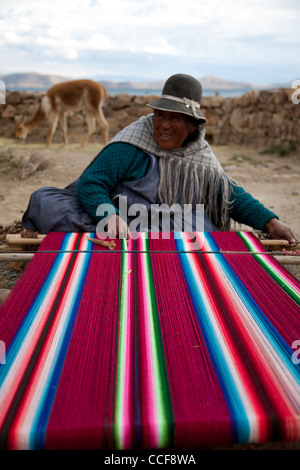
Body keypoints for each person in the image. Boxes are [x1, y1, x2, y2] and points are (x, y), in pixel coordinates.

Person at [22, 74, 298, 244]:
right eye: (160, 116)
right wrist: (108, 215)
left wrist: (270, 222)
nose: (163, 125)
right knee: (45, 201)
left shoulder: (199, 157)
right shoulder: (132, 142)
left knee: (201, 229)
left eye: (174, 118)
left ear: (192, 125)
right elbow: (92, 183)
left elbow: (228, 195)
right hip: (114, 215)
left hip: (162, 221)